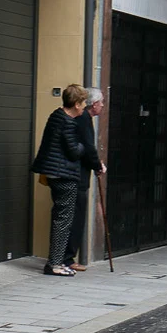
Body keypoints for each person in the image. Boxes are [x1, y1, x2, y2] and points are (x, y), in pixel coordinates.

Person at [32, 84, 87, 277]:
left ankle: (56, 261)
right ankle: (55, 263)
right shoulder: (68, 123)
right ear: (76, 104)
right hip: (64, 175)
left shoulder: (56, 116)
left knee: (60, 217)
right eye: (83, 102)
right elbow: (74, 151)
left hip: (53, 173)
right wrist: (83, 146)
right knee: (63, 220)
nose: (84, 106)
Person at [63, 87, 106, 271]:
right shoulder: (83, 120)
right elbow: (88, 148)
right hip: (76, 175)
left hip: (75, 174)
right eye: (101, 102)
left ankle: (65, 257)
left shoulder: (82, 119)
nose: (102, 105)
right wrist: (97, 165)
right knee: (74, 216)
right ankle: (67, 258)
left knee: (71, 216)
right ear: (93, 104)